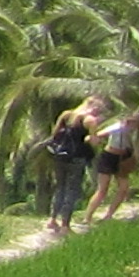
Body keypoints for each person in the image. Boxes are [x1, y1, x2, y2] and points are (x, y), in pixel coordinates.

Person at [42, 97, 97, 237]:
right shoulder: (90, 120)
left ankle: (52, 219)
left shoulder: (66, 115)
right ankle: (65, 225)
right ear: (94, 107)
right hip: (76, 157)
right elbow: (94, 142)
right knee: (72, 190)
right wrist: (91, 138)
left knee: (60, 186)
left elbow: (55, 134)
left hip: (60, 155)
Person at [86, 94, 139, 224]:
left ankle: (109, 215)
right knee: (102, 189)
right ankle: (88, 217)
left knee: (123, 188)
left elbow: (137, 146)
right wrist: (94, 138)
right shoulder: (118, 127)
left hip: (123, 158)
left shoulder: (137, 131)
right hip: (109, 156)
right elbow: (99, 135)